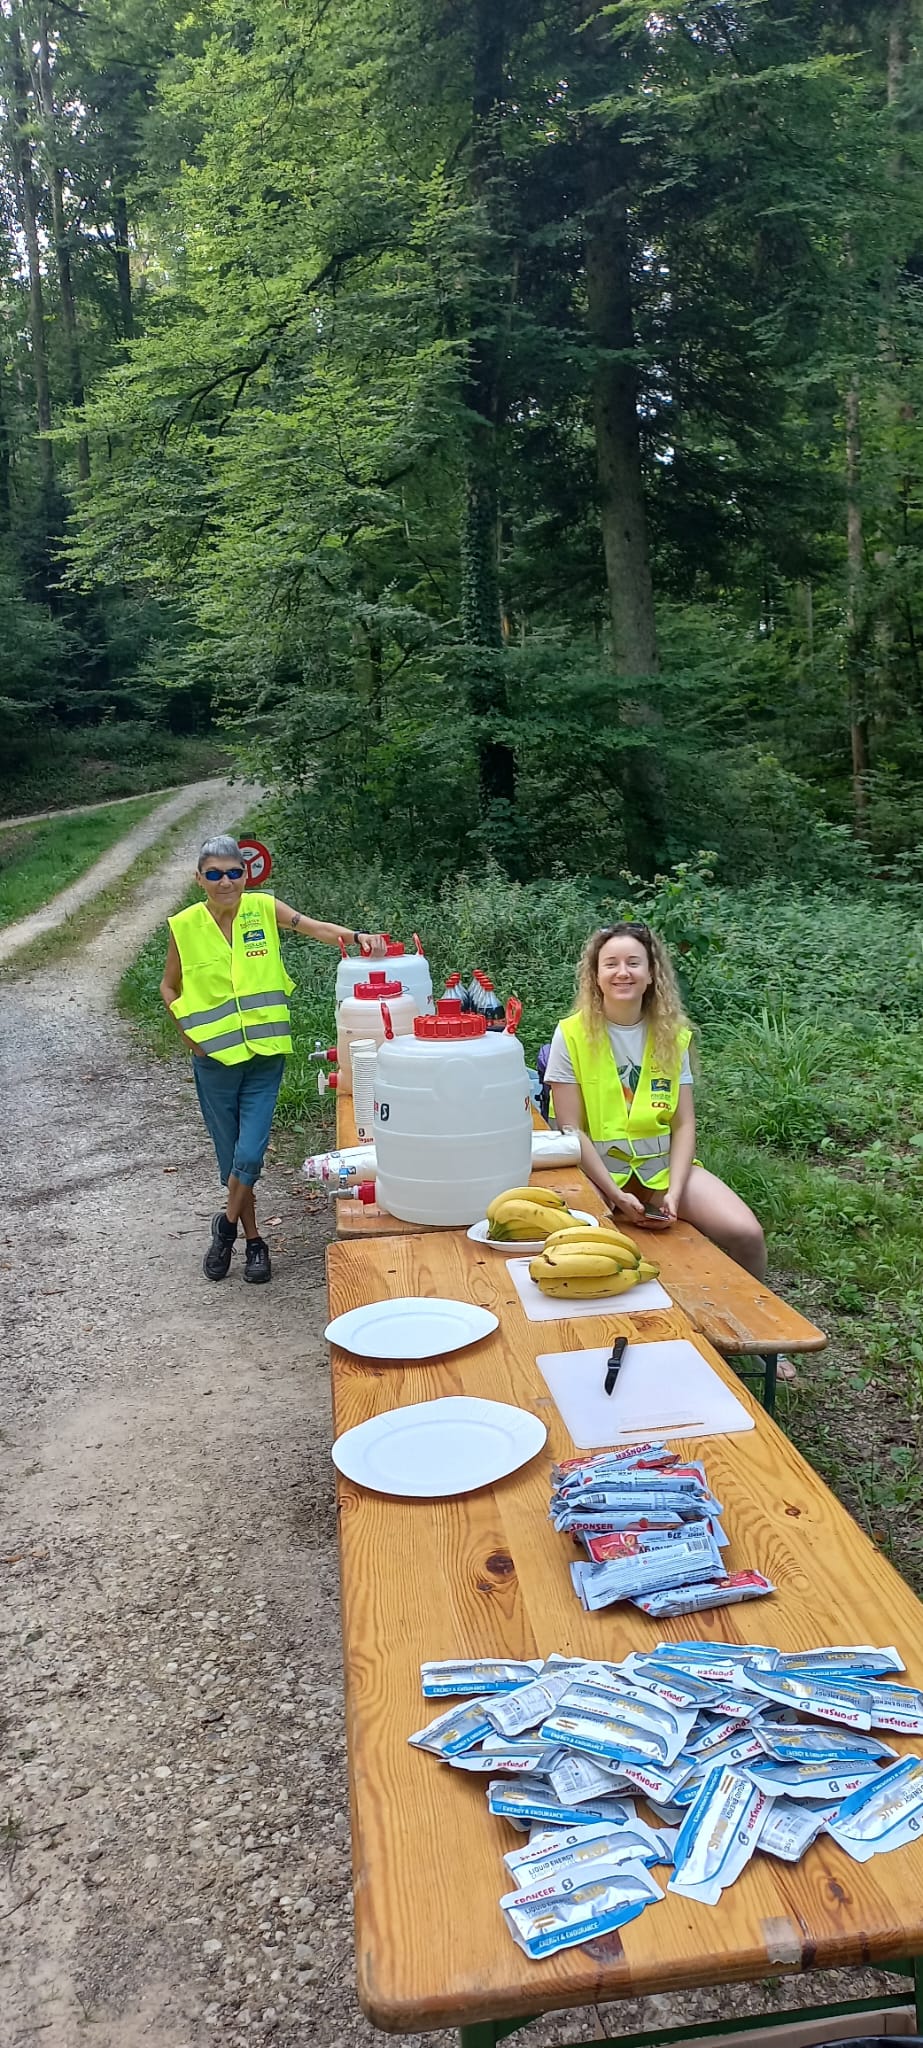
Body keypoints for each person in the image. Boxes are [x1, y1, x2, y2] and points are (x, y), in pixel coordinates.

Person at [160, 836, 386, 1285]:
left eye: (234, 872)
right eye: (215, 874)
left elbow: (318, 928)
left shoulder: (263, 909)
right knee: (231, 1161)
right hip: (214, 1061)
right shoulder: (184, 925)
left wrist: (359, 937)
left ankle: (223, 1228)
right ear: (199, 878)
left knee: (250, 1153)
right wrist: (189, 1038)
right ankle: (254, 1240)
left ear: (246, 874)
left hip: (264, 1055)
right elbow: (169, 986)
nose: (226, 881)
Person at [544, 921, 769, 1280]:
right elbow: (570, 1128)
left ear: (651, 975)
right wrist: (616, 1195)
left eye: (634, 963)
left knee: (747, 1234)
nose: (623, 972)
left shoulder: (673, 1035)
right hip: (596, 1175)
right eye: (611, 963)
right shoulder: (570, 1034)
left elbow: (684, 1124)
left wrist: (675, 1194)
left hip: (662, 1172)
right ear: (596, 975)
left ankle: (761, 1321)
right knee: (596, 1257)